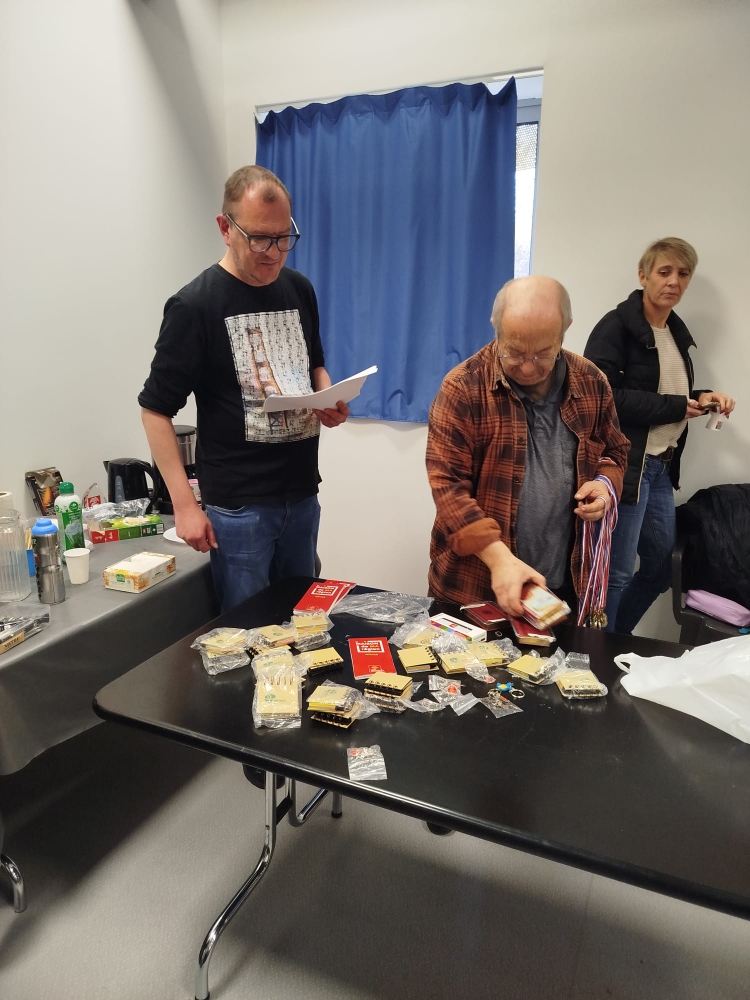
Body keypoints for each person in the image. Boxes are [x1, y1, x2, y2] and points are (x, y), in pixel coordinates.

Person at [139, 165, 349, 613]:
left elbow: (314, 363)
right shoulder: (194, 306)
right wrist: (185, 505)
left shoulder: (299, 289)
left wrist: (328, 397)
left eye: (284, 237)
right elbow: (155, 410)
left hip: (302, 493)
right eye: (259, 238)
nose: (273, 253)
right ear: (225, 228)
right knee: (247, 632)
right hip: (239, 509)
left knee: (306, 625)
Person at [426, 275, 629, 618]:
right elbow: (448, 489)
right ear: (496, 326)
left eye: (544, 353)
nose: (528, 367)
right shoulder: (463, 387)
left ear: (566, 328)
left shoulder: (592, 382)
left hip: (561, 584)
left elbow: (615, 451)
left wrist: (605, 485)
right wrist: (499, 559)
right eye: (515, 352)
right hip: (474, 586)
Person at [584, 237, 735, 634]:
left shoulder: (675, 333)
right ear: (643, 275)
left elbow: (663, 391)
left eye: (683, 274)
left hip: (659, 468)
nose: (674, 281)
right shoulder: (616, 326)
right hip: (626, 466)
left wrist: (702, 397)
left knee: (659, 569)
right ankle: (596, 653)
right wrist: (674, 406)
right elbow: (600, 397)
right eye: (664, 272)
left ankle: (615, 640)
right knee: (616, 574)